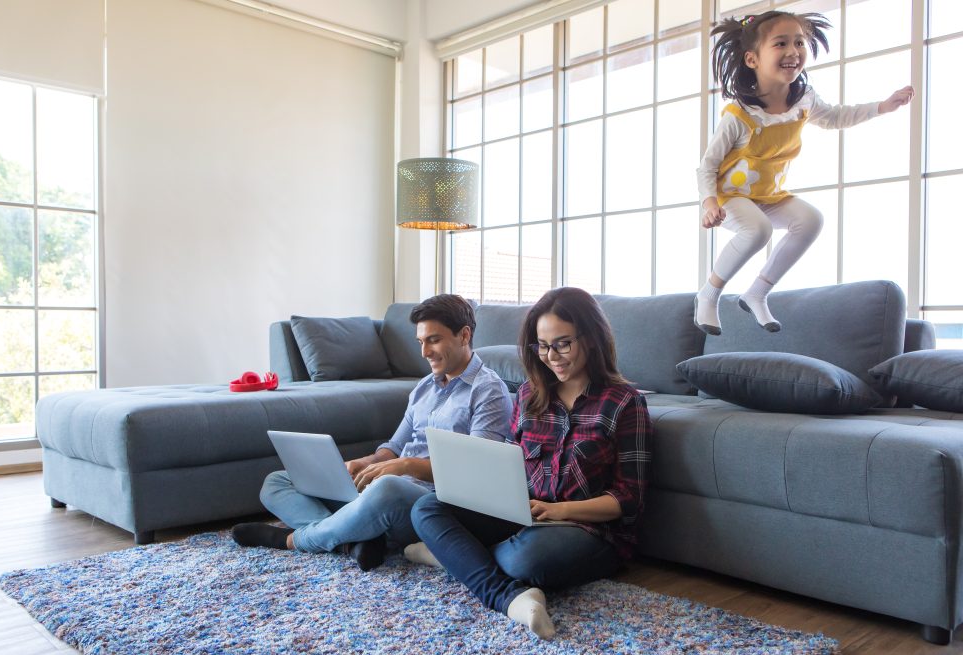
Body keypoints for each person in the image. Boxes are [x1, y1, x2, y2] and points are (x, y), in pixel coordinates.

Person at [407, 287, 652, 640]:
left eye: (563, 344)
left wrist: (561, 511)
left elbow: (630, 499)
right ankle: (508, 597)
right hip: (526, 511)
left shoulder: (625, 403)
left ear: (592, 337)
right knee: (428, 508)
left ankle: (453, 556)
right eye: (543, 345)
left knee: (524, 562)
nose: (552, 356)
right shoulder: (528, 396)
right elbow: (513, 467)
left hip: (591, 530)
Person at [231, 294, 513, 571]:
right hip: (384, 492)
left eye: (433, 340)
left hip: (428, 505)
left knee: (387, 487)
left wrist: (406, 466)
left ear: (464, 336)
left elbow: (478, 474)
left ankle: (295, 539)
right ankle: (353, 542)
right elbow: (395, 445)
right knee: (278, 481)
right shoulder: (425, 387)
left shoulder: (488, 391)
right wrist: (365, 464)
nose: (424, 352)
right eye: (421, 342)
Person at [694, 10, 914, 335]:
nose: (793, 51)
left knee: (811, 220)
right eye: (781, 43)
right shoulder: (739, 116)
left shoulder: (803, 102)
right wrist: (710, 203)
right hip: (731, 197)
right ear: (752, 59)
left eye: (799, 42)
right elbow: (708, 165)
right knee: (758, 230)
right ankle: (708, 295)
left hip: (769, 195)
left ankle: (757, 292)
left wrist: (881, 107)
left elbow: (836, 117)